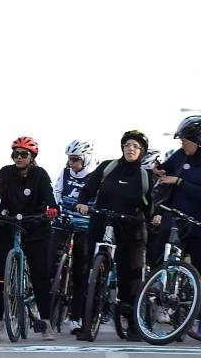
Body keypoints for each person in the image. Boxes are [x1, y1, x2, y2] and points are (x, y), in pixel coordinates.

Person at [149, 114, 201, 343]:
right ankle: (165, 306)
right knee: (159, 253)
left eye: (185, 141)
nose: (182, 145)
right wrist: (157, 170)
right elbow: (164, 169)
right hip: (178, 217)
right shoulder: (181, 155)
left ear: (199, 141)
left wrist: (179, 182)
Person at [75, 130, 155, 341]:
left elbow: (149, 205)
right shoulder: (108, 167)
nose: (131, 148)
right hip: (102, 221)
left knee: (131, 278)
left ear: (142, 151)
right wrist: (82, 202)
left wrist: (154, 217)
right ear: (122, 148)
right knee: (90, 269)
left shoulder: (145, 176)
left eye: (136, 146)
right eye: (128, 145)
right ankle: (86, 324)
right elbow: (88, 189)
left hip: (132, 227)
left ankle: (132, 324)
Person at [0, 136, 58, 341]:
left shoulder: (40, 174)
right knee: (1, 278)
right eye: (16, 154)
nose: (19, 158)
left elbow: (50, 197)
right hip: (8, 223)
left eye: (24, 154)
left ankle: (46, 323)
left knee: (40, 275)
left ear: (32, 157)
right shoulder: (5, 172)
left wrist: (52, 209)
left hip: (36, 226)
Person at [52, 139, 97, 334]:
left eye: (76, 159)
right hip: (63, 223)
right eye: (70, 159)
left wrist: (90, 209)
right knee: (49, 262)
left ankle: (75, 316)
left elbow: (100, 198)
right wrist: (52, 208)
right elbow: (56, 193)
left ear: (86, 159)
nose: (72, 163)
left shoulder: (95, 176)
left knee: (81, 271)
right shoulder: (64, 173)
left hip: (84, 226)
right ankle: (45, 306)